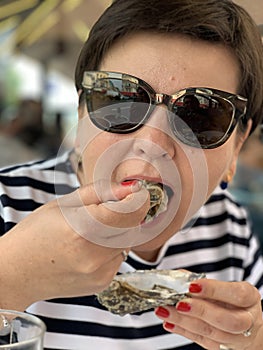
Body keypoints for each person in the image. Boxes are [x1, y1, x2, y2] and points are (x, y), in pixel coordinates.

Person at [0, 0, 263, 349]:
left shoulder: (230, 228)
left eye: (201, 116)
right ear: (81, 114)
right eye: (120, 98)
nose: (153, 143)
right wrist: (14, 275)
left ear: (236, 148)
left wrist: (253, 339)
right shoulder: (6, 206)